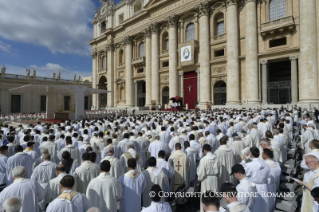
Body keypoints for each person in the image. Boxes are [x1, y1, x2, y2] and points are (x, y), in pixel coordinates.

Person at [241, 147, 270, 212]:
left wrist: (243, 160)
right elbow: (268, 175)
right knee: (264, 206)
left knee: (255, 206)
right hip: (264, 186)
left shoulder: (249, 165)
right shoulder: (266, 164)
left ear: (251, 154)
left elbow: (240, 172)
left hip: (254, 187)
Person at [197, 144, 220, 212]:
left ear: (204, 150)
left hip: (206, 179)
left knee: (206, 196)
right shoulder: (216, 158)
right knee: (214, 195)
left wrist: (199, 177)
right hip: (214, 178)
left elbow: (200, 172)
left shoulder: (203, 159)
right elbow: (219, 170)